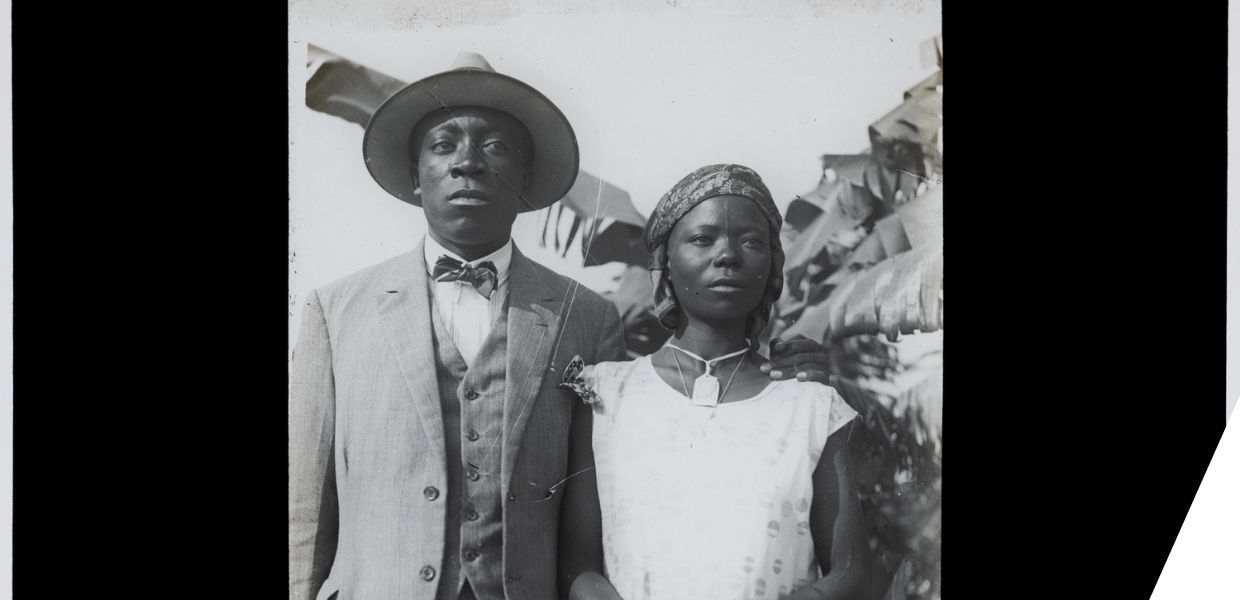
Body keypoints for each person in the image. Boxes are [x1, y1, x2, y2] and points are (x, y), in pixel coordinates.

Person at [289, 53, 837, 600]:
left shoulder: (586, 316)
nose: (468, 164)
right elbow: (303, 512)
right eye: (442, 145)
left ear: (526, 179)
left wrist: (778, 371)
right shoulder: (336, 311)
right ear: (415, 175)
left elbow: (633, 480)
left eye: (496, 147)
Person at [558, 164, 871, 600]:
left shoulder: (812, 406)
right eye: (702, 239)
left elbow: (851, 571)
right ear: (665, 263)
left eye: (751, 241)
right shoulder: (604, 396)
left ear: (772, 264)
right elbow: (578, 566)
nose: (728, 256)